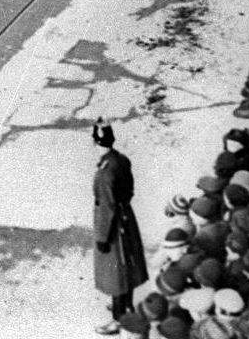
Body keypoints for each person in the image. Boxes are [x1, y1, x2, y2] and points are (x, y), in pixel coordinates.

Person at [92, 119, 148, 334]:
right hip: (126, 217)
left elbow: (106, 207)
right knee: (128, 266)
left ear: (95, 142)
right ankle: (125, 304)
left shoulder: (105, 172)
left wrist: (103, 237)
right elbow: (130, 189)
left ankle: (119, 317)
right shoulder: (121, 160)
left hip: (113, 225)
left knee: (116, 272)